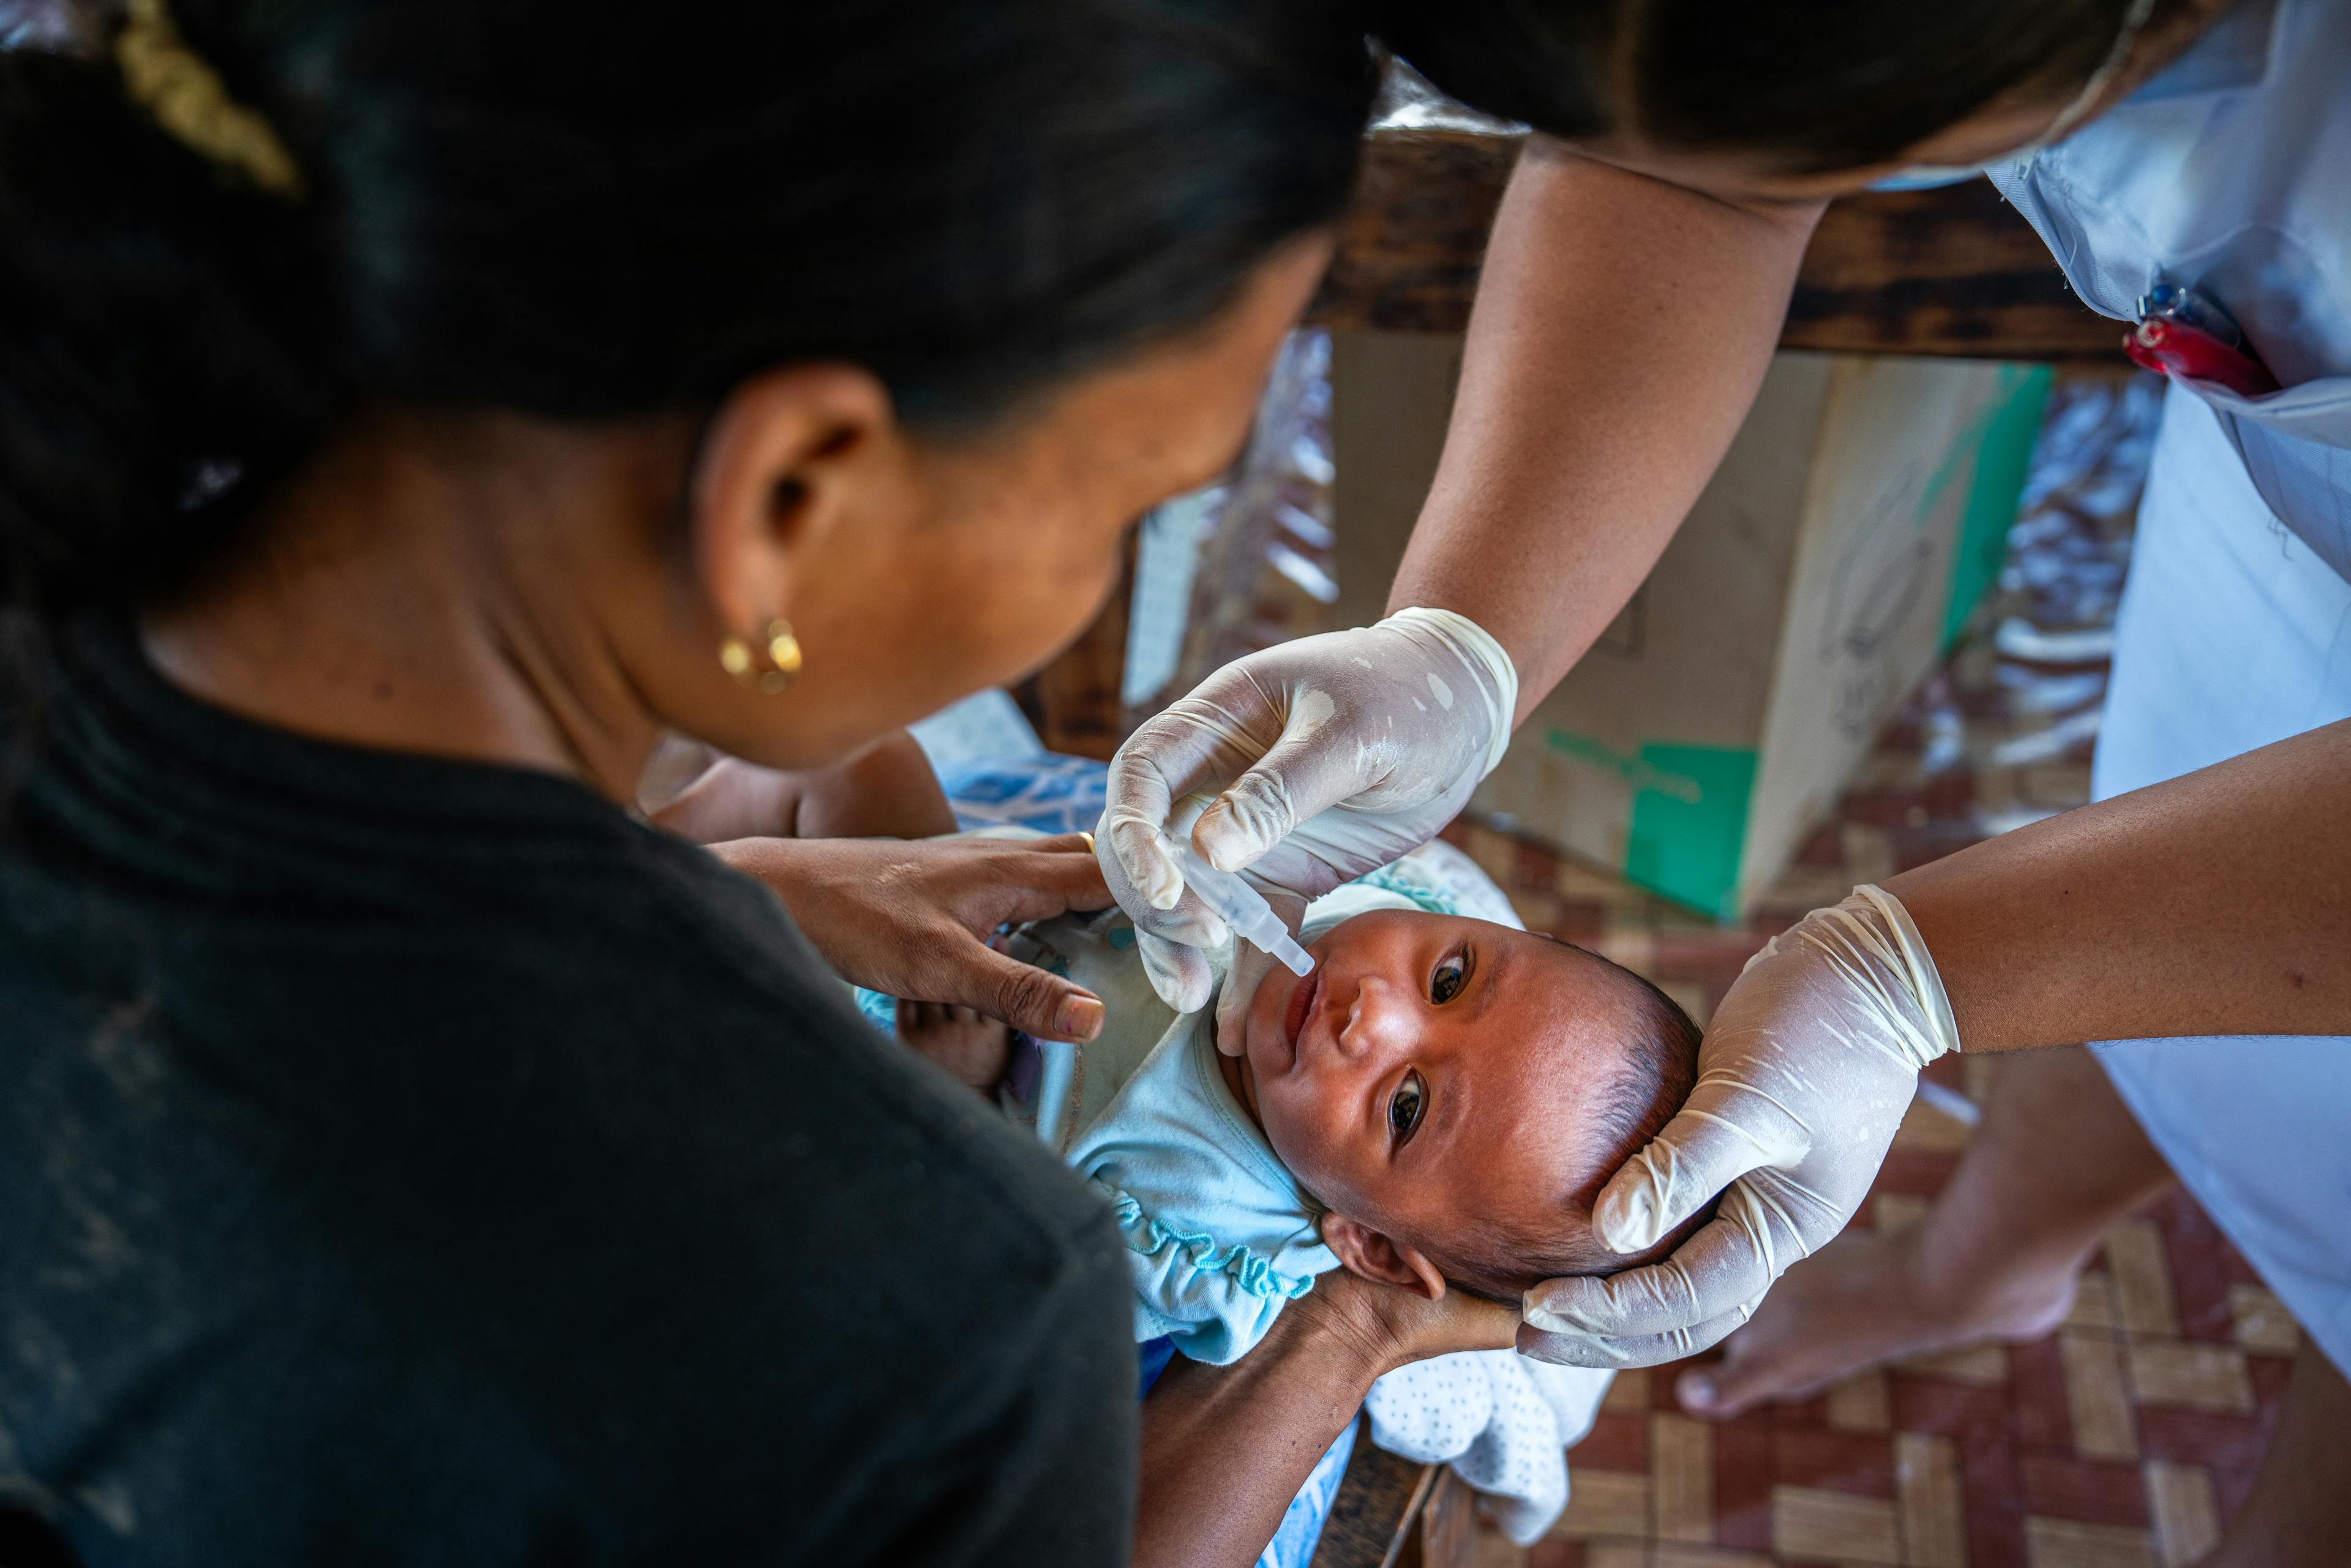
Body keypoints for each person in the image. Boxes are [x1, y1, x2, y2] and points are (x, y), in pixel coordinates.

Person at [0, 2, 1516, 1564]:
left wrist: (735, 895)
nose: (1075, 604)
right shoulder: (950, 1322)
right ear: (794, 498)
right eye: (1119, 508)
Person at [1100, 0, 2351, 1557]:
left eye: (1414, 1097)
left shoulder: (1233, 1279)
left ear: (1370, 1250)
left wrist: (1913, 976)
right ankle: (1993, 1258)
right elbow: (1700, 166)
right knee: (2169, 922)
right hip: (2296, 485)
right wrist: (1467, 638)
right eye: (1452, 968)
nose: (1373, 1010)